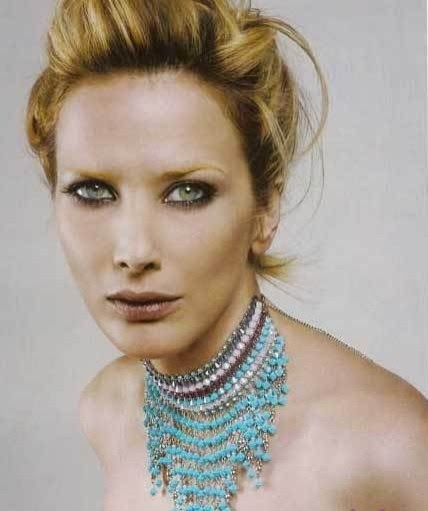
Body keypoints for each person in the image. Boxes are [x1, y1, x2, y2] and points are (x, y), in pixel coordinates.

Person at [25, 0, 427, 509]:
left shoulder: (390, 443)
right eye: (92, 192)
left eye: (187, 193)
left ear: (264, 209)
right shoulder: (106, 410)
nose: (133, 252)